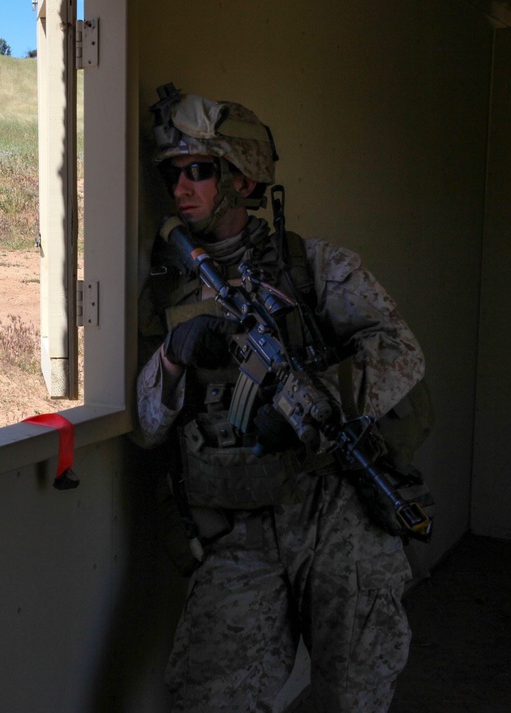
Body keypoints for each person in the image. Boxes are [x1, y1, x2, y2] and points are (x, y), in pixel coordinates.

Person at [135, 85, 431, 712]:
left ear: (242, 180)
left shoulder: (314, 267)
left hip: (336, 510)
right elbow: (147, 426)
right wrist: (173, 355)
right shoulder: (164, 291)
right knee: (209, 698)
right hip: (237, 528)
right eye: (172, 174)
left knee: (355, 693)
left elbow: (402, 350)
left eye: (199, 171)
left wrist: (314, 405)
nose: (181, 187)